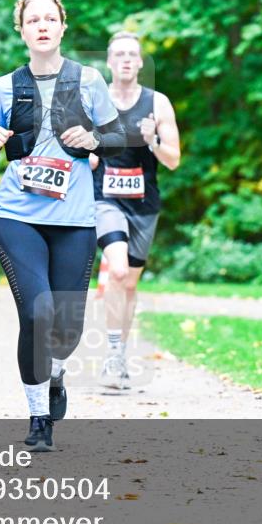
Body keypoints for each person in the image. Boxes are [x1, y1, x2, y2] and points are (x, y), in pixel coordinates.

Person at [0, 0, 125, 450]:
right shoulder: (5, 86)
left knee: (65, 328)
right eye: (32, 20)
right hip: (17, 215)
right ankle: (39, 417)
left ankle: (56, 371)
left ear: (62, 27)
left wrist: (95, 139)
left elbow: (118, 136)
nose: (41, 26)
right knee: (36, 313)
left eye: (49, 19)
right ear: (21, 31)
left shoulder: (89, 81)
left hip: (75, 220)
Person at [90, 31, 181, 389]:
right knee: (117, 270)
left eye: (133, 54)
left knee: (128, 283)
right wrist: (90, 153)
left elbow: (173, 160)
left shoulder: (158, 103)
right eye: (119, 55)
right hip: (105, 200)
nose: (126, 60)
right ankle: (113, 358)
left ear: (141, 62)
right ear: (110, 62)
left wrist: (153, 141)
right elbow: (80, 148)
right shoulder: (96, 102)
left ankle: (119, 353)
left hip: (144, 206)